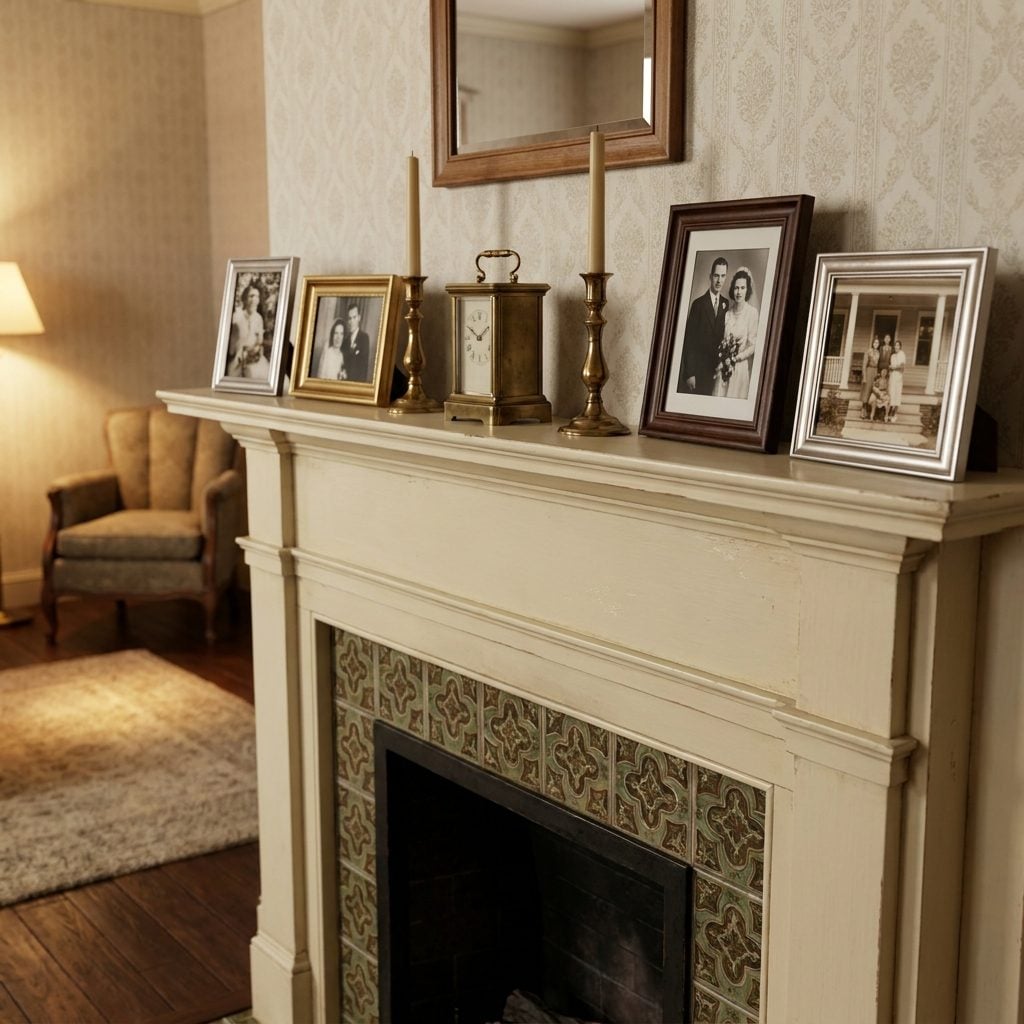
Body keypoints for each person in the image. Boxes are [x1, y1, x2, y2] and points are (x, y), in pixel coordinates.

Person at [678, 256, 729, 395]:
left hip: (717, 372)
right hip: (698, 373)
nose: (719, 280)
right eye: (716, 276)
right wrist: (689, 373)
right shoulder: (698, 304)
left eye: (723, 276)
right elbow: (689, 341)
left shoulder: (726, 304)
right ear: (710, 276)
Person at [719, 268, 759, 400]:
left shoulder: (752, 313)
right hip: (724, 367)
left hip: (740, 370)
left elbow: (753, 345)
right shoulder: (727, 314)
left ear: (747, 290)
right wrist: (725, 358)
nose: (739, 292)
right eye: (736, 288)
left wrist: (737, 358)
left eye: (742, 288)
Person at [227, 283, 267, 378]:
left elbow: (259, 341)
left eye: (257, 296)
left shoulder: (258, 318)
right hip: (237, 358)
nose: (254, 299)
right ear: (245, 298)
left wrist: (254, 351)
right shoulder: (236, 316)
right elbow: (231, 346)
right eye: (251, 296)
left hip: (253, 358)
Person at [340, 303, 371, 381]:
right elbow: (342, 364)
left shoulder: (364, 338)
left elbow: (364, 367)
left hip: (357, 384)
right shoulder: (345, 341)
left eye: (354, 317)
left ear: (359, 318)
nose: (352, 321)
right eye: (350, 318)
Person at [860, 337, 880, 418]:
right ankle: (863, 411)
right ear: (872, 343)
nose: (876, 344)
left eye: (877, 343)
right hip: (868, 371)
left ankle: (870, 412)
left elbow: (877, 364)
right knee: (866, 390)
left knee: (873, 390)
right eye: (875, 342)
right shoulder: (869, 351)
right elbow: (864, 364)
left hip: (875, 372)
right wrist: (864, 376)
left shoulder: (878, 352)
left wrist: (877, 375)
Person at [887, 338, 906, 422]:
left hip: (898, 376)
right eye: (895, 345)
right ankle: (890, 413)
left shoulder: (902, 354)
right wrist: (891, 368)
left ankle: (895, 414)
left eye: (898, 345)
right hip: (892, 376)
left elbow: (902, 367)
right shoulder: (893, 355)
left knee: (897, 395)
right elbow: (891, 368)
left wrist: (894, 367)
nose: (896, 346)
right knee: (892, 394)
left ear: (900, 346)